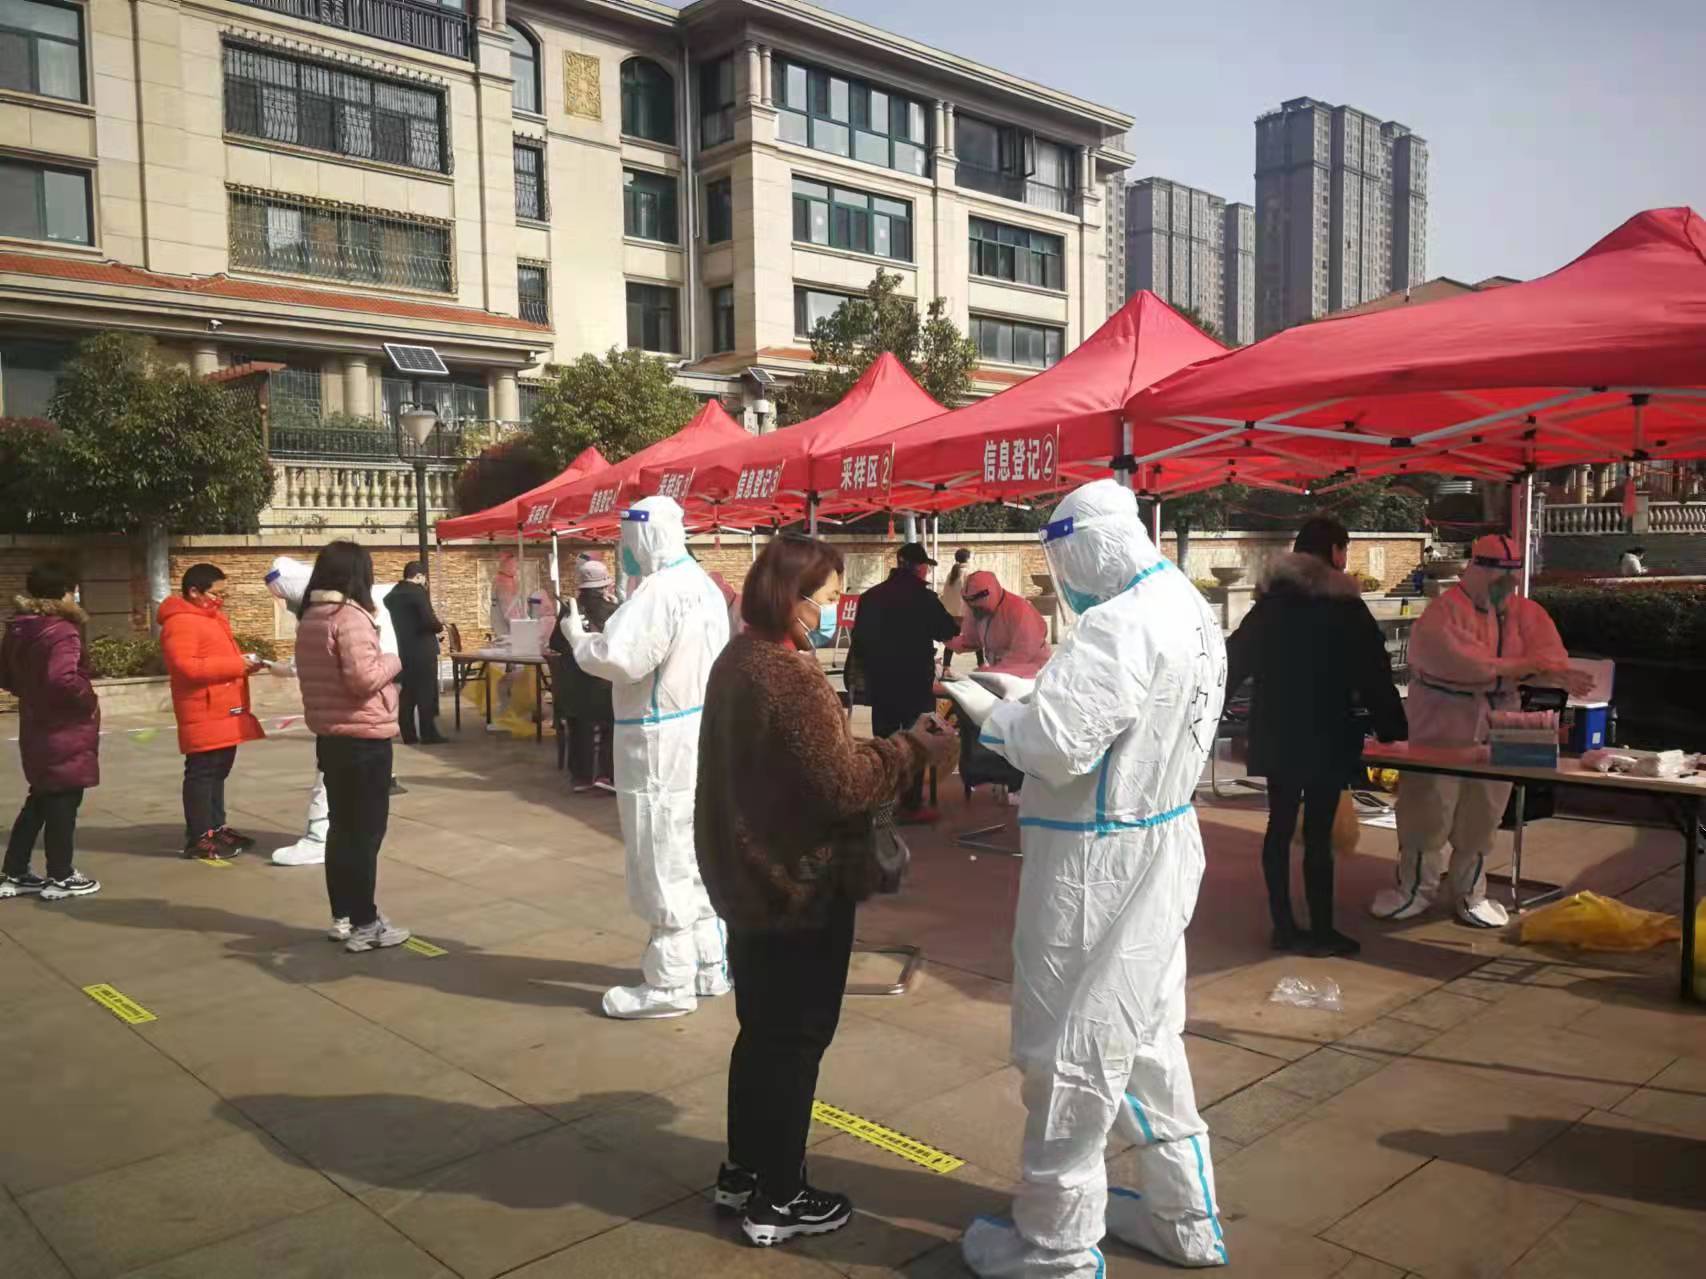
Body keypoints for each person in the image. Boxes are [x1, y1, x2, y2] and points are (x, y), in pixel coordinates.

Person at [943, 479, 1229, 1274]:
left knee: (1068, 1048)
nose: (1061, 583)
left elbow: (1059, 746)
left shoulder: (1117, 624)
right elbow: (1112, 717)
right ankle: (1184, 1215)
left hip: (1093, 867)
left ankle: (1055, 1242)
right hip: (1159, 842)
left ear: (1083, 551)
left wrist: (998, 715)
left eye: (1060, 563)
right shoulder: (1187, 605)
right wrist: (1037, 700)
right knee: (1145, 1040)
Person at [696, 533, 956, 1248]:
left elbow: (804, 765)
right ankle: (780, 1196)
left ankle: (744, 1170)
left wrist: (884, 745)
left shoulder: (737, 658)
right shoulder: (789, 674)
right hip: (796, 884)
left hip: (747, 878)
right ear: (793, 597)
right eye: (828, 596)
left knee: (762, 1032)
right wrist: (912, 748)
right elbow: (842, 785)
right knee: (796, 1040)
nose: (835, 608)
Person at [560, 495, 732, 1019]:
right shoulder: (703, 585)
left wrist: (578, 638)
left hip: (657, 739)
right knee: (692, 852)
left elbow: (622, 658)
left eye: (627, 539)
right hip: (696, 730)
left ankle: (669, 982)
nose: (624, 549)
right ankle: (708, 964)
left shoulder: (659, 591)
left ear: (644, 536)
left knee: (658, 853)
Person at [1370, 533, 1588, 929]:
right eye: (1496, 571)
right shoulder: (1443, 612)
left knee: (1484, 812)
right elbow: (1466, 663)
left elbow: (1550, 657)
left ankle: (1471, 893)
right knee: (1428, 809)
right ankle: (1415, 890)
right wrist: (1530, 666)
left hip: (1502, 720)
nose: (1506, 580)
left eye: (1513, 571)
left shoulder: (1526, 612)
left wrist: (1543, 669)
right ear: (1476, 567)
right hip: (1442, 720)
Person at [1226, 516, 1407, 956]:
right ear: (1335, 552)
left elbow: (1233, 661)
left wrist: (1209, 712)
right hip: (1328, 732)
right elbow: (1374, 671)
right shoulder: (1345, 607)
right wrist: (1392, 727)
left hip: (1277, 730)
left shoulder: (1270, 605)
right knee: (1319, 832)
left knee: (1279, 825)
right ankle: (1322, 929)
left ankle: (1283, 926)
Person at [294, 541, 409, 952]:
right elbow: (364, 679)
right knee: (364, 834)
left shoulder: (312, 616)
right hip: (363, 738)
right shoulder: (349, 617)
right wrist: (394, 660)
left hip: (332, 737)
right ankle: (366, 923)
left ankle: (343, 915)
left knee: (342, 830)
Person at [0, 563, 102, 900]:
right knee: (63, 799)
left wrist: (33, 695)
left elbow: (7, 676)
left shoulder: (20, 627)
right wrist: (87, 697)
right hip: (64, 728)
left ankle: (14, 871)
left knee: (41, 796)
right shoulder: (62, 630)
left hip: (36, 722)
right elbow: (63, 679)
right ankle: (61, 874)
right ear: (65, 593)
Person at [160, 563, 266, 861]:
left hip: (223, 706)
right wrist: (236, 665)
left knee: (219, 771)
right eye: (215, 593)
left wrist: (244, 664)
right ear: (194, 591)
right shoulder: (180, 622)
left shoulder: (212, 618)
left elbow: (217, 658)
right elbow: (186, 667)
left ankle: (216, 827)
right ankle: (198, 836)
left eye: (223, 594)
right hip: (202, 708)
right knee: (202, 772)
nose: (220, 599)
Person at [850, 543, 960, 823]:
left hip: (881, 681)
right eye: (925, 567)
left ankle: (883, 805)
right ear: (919, 567)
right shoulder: (924, 598)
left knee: (885, 741)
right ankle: (911, 805)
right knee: (917, 739)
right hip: (915, 681)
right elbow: (948, 631)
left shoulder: (871, 597)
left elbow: (858, 640)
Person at [550, 558, 617, 791]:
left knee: (579, 726)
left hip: (574, 683)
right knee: (611, 726)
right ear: (605, 586)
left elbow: (555, 643)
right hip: (604, 682)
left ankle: (581, 777)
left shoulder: (570, 610)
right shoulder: (614, 611)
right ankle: (608, 774)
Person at [383, 561, 446, 746]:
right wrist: (439, 626)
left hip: (405, 649)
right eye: (424, 578)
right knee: (426, 692)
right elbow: (429, 621)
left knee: (408, 692)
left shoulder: (392, 596)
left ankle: (408, 733)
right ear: (419, 576)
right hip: (424, 649)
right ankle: (428, 733)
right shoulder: (418, 593)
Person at [946, 569, 1052, 678]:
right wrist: (945, 637)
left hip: (1032, 672)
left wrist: (992, 672)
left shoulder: (1019, 609)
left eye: (978, 606)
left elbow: (1024, 652)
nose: (975, 611)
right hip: (1002, 672)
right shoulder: (976, 610)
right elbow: (972, 640)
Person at [941, 547, 972, 621]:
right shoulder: (967, 574)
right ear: (967, 559)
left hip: (950, 613)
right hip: (962, 614)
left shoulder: (951, 574)